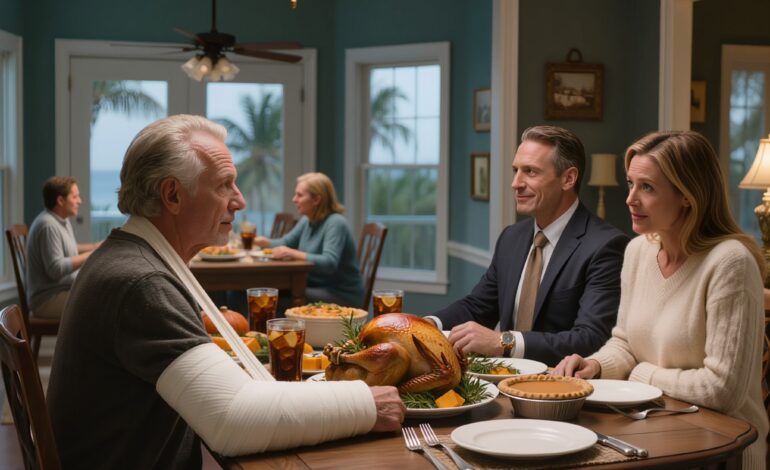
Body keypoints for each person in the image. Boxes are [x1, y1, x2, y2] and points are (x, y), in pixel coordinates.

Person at [46, 115, 405, 470]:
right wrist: (366, 405)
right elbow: (232, 420)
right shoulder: (142, 282)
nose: (240, 200)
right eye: (224, 185)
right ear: (172, 194)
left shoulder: (134, 257)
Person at [553, 131, 768, 468]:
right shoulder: (639, 251)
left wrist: (641, 375)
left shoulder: (730, 262)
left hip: (723, 451)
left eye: (647, 187)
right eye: (630, 184)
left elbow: (721, 390)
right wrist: (595, 365)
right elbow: (625, 342)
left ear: (687, 195)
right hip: (651, 436)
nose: (630, 199)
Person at [426, 125, 629, 365]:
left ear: (568, 178)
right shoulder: (511, 237)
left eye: (530, 172)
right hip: (504, 381)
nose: (516, 183)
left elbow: (590, 339)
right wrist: (426, 325)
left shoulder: (606, 246)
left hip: (562, 390)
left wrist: (504, 342)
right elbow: (478, 307)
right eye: (516, 170)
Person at [254, 172, 364, 307]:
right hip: (315, 287)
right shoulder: (307, 220)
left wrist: (293, 253)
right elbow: (286, 243)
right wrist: (260, 241)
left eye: (299, 195)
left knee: (273, 300)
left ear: (316, 200)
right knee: (266, 294)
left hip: (341, 295)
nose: (294, 199)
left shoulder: (336, 223)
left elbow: (329, 263)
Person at [26, 176, 100, 319]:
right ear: (60, 200)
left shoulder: (61, 220)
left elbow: (69, 248)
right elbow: (56, 269)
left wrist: (95, 246)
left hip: (60, 292)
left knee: (101, 294)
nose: (80, 201)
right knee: (100, 303)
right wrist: (93, 253)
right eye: (75, 197)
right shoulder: (48, 225)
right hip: (46, 300)